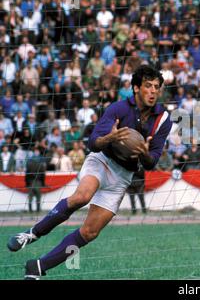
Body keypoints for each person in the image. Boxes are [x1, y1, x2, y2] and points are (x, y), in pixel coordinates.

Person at [7, 65, 172, 279]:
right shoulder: (118, 108)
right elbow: (94, 143)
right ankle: (31, 234)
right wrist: (110, 138)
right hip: (102, 161)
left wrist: (144, 154)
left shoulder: (163, 119)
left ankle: (38, 267)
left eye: (156, 87)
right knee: (82, 197)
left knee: (90, 232)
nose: (153, 91)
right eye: (148, 86)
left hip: (123, 177)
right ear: (136, 88)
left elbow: (152, 162)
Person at [25, 147, 47, 213]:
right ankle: (38, 210)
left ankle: (30, 210)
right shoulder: (41, 163)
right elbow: (43, 174)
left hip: (31, 182)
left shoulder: (29, 162)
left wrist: (27, 183)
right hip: (38, 182)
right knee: (38, 197)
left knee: (30, 197)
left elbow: (27, 174)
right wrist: (43, 183)